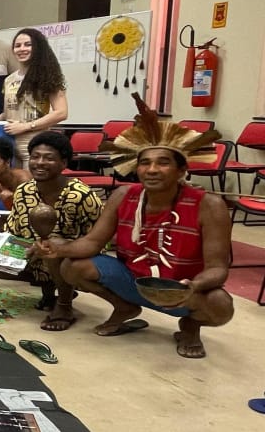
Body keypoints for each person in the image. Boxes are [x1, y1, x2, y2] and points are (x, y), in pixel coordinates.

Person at [38, 108, 231, 358]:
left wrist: (194, 285)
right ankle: (124, 307)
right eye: (145, 162)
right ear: (136, 168)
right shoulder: (123, 196)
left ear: (181, 171)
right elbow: (93, 242)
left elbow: (218, 268)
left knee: (221, 304)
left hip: (183, 290)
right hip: (133, 280)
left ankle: (190, 326)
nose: (152, 169)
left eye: (163, 163)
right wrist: (59, 249)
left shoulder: (209, 205)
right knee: (71, 265)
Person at [5, 131, 104, 328]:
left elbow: (98, 240)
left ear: (64, 163)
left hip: (73, 260)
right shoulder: (23, 191)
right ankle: (48, 295)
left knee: (54, 245)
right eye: (35, 156)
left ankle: (65, 304)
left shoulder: (81, 195)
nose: (39, 163)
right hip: (34, 255)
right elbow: (12, 232)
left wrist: (60, 249)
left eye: (49, 158)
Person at [0, 28, 70, 165]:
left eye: (27, 44)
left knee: (30, 186)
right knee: (11, 186)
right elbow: (8, 112)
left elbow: (61, 113)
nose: (22, 49)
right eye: (17, 46)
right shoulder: (8, 80)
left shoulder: (48, 76)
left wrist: (26, 126)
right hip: (8, 142)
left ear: (38, 47)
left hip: (34, 144)